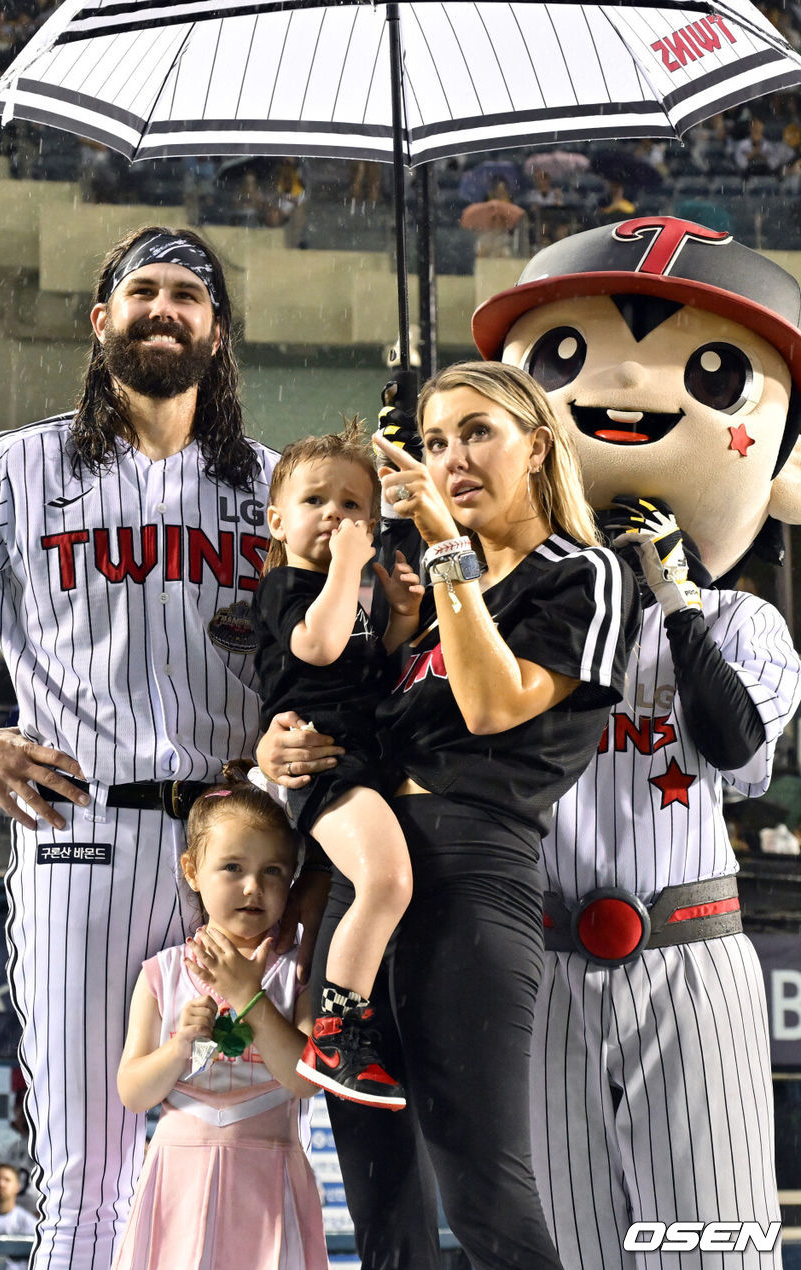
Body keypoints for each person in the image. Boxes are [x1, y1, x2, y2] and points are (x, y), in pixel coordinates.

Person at [0, 225, 331, 1270]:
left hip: (244, 849)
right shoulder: (17, 467)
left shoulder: (277, 488)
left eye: (187, 295)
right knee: (87, 1179)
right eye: (141, 290)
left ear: (218, 330)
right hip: (83, 832)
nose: (164, 307)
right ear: (101, 318)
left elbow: (340, 648)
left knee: (264, 1135)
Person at [472, 216, 801, 1270]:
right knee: (567, 1248)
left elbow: (732, 747)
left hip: (686, 953)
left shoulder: (748, 625)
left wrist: (675, 597)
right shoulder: (506, 615)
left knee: (712, 1247)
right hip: (541, 961)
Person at [286, 361, 639, 1270]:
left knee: (482, 1194)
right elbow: (346, 719)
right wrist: (275, 753)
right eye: (436, 442)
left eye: (478, 432)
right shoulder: (425, 601)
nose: (453, 458)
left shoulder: (584, 573)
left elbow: (491, 706)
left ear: (538, 445)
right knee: (383, 1212)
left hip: (470, 876)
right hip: (361, 883)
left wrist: (447, 555)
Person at [254, 422, 422, 1107]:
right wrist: (351, 566)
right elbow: (317, 649)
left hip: (360, 758)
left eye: (354, 506)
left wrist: (402, 619)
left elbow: (367, 668)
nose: (335, 515)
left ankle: (344, 1021)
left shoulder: (348, 595)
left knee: (380, 886)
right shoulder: (287, 586)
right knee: (386, 880)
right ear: (278, 520)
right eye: (316, 501)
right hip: (326, 768)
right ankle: (336, 1032)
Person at [114, 780, 327, 1270]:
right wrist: (180, 1045)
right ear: (191, 869)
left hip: (269, 1176)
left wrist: (245, 995)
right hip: (177, 1180)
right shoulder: (160, 973)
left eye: (273, 871)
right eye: (232, 867)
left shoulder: (300, 969)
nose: (253, 887)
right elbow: (133, 1092)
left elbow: (302, 1078)